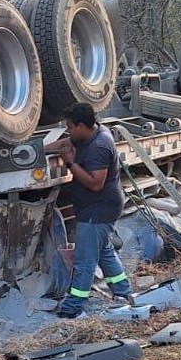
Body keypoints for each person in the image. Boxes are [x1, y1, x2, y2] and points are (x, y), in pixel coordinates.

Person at [51, 102, 128, 318]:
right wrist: (41, 148)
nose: (68, 130)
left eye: (70, 126)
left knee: (85, 261)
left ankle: (73, 307)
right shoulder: (91, 133)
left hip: (98, 210)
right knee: (105, 253)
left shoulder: (99, 147)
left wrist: (70, 163)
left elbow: (96, 183)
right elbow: (67, 141)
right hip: (100, 208)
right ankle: (123, 292)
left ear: (82, 125)